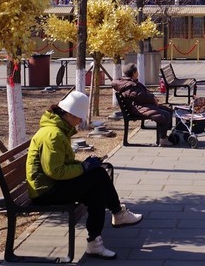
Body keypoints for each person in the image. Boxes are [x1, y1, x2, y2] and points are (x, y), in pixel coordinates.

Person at [26, 91, 142, 260]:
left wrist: (83, 166)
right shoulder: (53, 135)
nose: (80, 121)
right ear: (68, 114)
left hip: (52, 186)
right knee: (98, 175)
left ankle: (96, 241)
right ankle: (117, 214)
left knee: (97, 190)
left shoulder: (58, 130)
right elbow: (55, 171)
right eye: (78, 117)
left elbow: (61, 166)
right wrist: (84, 168)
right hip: (45, 192)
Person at [111, 63, 174, 147]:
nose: (138, 73)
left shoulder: (129, 83)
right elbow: (139, 96)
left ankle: (163, 136)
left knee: (168, 111)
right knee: (164, 114)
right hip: (137, 109)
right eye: (137, 71)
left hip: (141, 106)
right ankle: (163, 139)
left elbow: (142, 94)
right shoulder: (129, 85)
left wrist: (152, 97)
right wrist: (152, 98)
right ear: (133, 73)